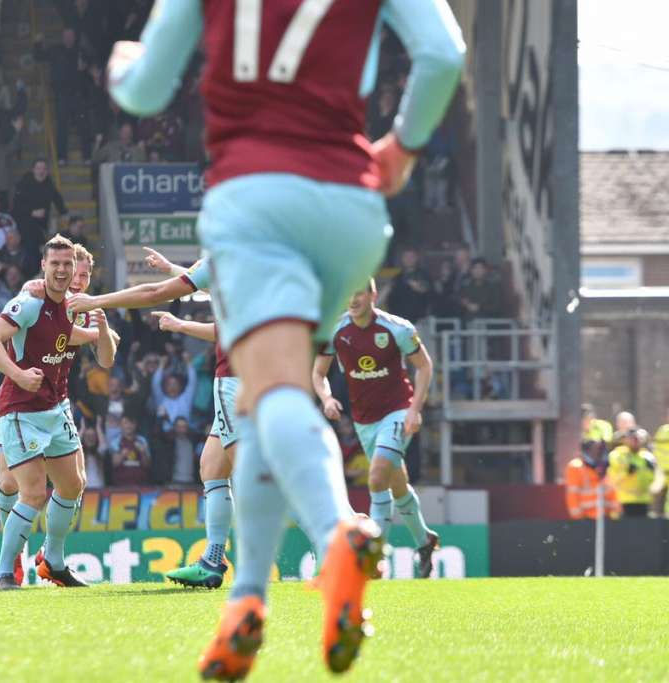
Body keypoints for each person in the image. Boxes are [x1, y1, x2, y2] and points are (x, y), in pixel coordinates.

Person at [106, 1, 464, 678]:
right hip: (350, 210)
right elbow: (445, 54)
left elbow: (147, 89)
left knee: (269, 394)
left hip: (256, 202)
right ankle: (246, 604)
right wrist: (405, 146)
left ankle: (339, 535)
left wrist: (121, 67)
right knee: (266, 405)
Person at [68, 251, 238, 589]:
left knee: (259, 475)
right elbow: (217, 308)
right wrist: (174, 274)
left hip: (237, 381)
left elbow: (152, 294)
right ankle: (213, 561)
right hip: (262, 376)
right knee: (212, 467)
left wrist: (94, 300)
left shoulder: (225, 259)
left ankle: (340, 532)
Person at [0, 236, 110, 590]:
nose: (64, 271)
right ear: (44, 266)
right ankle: (4, 573)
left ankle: (53, 562)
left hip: (53, 409)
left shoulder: (69, 306)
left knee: (72, 484)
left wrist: (103, 332)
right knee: (31, 493)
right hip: (20, 411)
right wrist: (19, 374)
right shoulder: (30, 303)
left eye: (69, 265)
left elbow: (82, 340)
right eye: (57, 264)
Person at [313, 280, 439, 578]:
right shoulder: (336, 330)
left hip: (397, 412)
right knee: (396, 484)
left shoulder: (397, 328)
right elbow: (318, 373)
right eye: (348, 294)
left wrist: (414, 409)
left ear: (373, 295)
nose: (353, 300)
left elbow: (425, 366)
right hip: (363, 420)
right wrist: (327, 397)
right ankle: (424, 540)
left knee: (377, 474)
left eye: (359, 293)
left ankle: (374, 557)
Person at [607, 428, 660, 518]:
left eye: (638, 438)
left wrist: (650, 471)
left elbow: (655, 480)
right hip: (623, 500)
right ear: (625, 439)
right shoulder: (617, 455)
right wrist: (627, 471)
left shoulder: (648, 457)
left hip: (643, 501)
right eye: (632, 438)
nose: (635, 441)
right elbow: (612, 477)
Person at [564, 440, 619, 520]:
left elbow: (611, 490)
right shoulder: (576, 467)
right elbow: (572, 493)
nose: (600, 452)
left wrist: (616, 512)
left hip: (605, 517)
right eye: (597, 449)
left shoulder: (603, 467)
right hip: (585, 517)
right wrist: (578, 515)